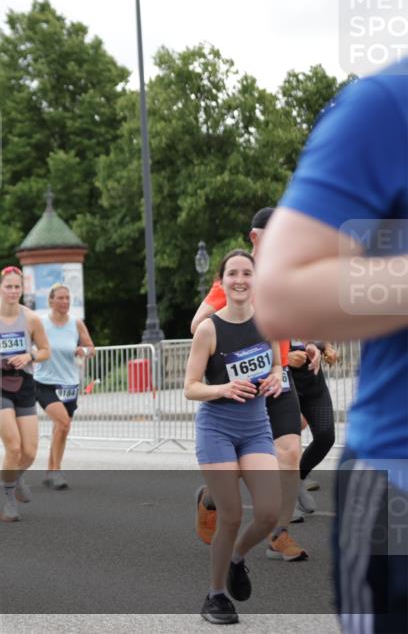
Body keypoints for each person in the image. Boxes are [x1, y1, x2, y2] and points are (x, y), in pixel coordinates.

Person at [254, 58, 407, 634]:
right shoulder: (386, 103)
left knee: (318, 439)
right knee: (286, 453)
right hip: (397, 483)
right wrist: (274, 360)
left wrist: (317, 348)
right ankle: (265, 512)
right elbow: (283, 294)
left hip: (306, 368)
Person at [190, 208, 308, 562]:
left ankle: (279, 533)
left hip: (277, 379)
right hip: (238, 388)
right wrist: (238, 313)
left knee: (289, 453)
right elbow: (198, 324)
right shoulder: (235, 277)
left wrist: (308, 347)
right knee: (241, 466)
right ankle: (212, 497)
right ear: (256, 237)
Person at [185, 249, 283, 625]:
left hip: (256, 427)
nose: (241, 280)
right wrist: (224, 388)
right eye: (233, 274)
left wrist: (277, 376)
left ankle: (237, 560)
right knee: (231, 514)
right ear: (222, 281)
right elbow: (190, 387)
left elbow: (275, 364)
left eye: (247, 273)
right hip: (217, 429)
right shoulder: (210, 327)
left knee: (270, 511)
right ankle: (215, 595)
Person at [0, 265, 51, 522]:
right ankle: (9, 502)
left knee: (29, 451)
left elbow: (45, 351)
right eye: (8, 286)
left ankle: (16, 477)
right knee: (14, 447)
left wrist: (29, 355)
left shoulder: (31, 319)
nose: (13, 291)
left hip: (25, 384)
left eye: (17, 286)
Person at [33, 283, 95, 490]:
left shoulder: (75, 323)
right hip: (45, 382)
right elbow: (30, 345)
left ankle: (50, 470)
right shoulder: (41, 323)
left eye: (67, 298)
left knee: (61, 428)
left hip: (69, 383)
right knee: (63, 423)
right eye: (60, 298)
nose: (65, 302)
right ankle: (57, 471)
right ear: (51, 301)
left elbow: (90, 347)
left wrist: (83, 352)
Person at [287, 339, 337, 521]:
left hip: (313, 385)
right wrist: (284, 358)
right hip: (283, 384)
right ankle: (284, 502)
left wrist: (327, 348)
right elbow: (252, 348)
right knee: (288, 445)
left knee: (326, 436)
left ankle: (298, 480)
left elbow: (319, 337)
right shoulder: (266, 313)